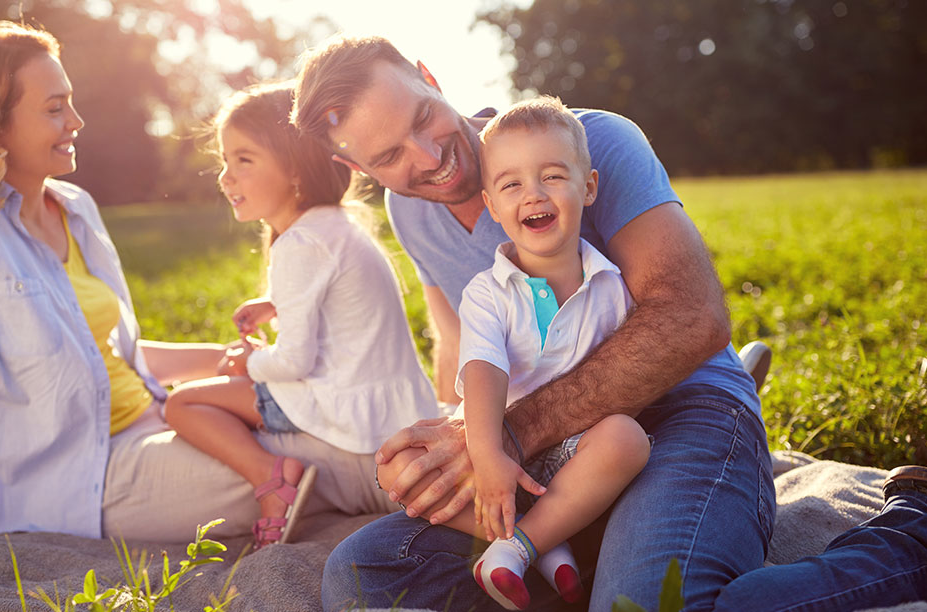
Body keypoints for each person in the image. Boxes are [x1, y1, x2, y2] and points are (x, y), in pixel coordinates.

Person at [292, 35, 927, 611]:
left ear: (428, 75)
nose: (430, 156)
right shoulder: (412, 214)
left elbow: (692, 318)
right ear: (358, 170)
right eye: (390, 155)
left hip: (682, 409)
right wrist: (454, 448)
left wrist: (509, 434)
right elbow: (460, 345)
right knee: (363, 573)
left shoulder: (593, 140)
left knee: (648, 607)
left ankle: (911, 537)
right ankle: (578, 559)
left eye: (422, 117)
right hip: (551, 457)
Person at [0, 23, 404, 550]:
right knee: (303, 453)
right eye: (55, 109)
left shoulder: (74, 209)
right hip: (83, 479)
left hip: (151, 421)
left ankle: (428, 467)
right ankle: (422, 480)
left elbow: (111, 358)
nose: (76, 121)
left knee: (306, 422)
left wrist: (233, 361)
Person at [378, 97, 651, 610]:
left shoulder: (612, 286)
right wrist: (487, 457)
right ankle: (547, 542)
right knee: (399, 467)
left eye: (552, 176)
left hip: (575, 455)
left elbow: (628, 382)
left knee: (628, 439)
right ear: (493, 204)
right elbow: (482, 372)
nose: (533, 194)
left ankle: (516, 548)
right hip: (495, 449)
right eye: (511, 185)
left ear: (587, 187)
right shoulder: (487, 292)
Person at [162, 83, 438, 549]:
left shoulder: (299, 243)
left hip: (347, 415)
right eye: (226, 160)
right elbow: (336, 298)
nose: (226, 177)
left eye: (244, 160)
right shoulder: (337, 225)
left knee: (182, 404)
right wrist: (274, 302)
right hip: (396, 408)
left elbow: (293, 363)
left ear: (293, 169)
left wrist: (246, 363)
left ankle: (273, 478)